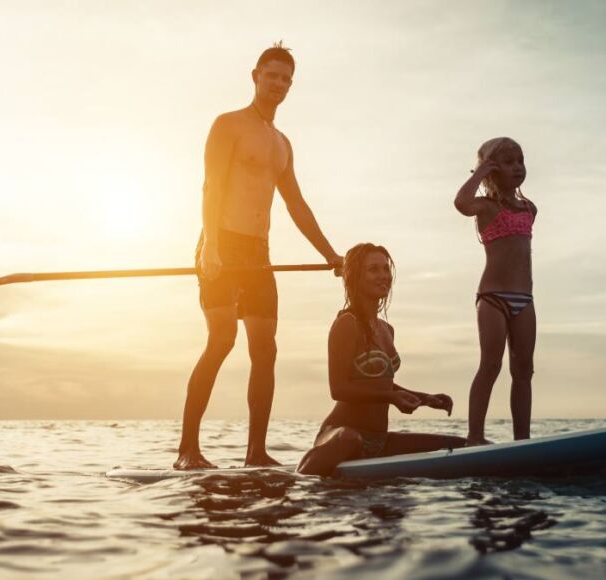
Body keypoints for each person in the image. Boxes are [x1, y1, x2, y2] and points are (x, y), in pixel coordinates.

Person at [175, 44, 344, 470]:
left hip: (258, 253)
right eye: (272, 75)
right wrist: (210, 246)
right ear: (255, 75)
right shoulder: (228, 125)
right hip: (221, 243)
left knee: (265, 350)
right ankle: (187, 451)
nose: (279, 84)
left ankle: (256, 453)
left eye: (286, 79)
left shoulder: (283, 144)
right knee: (221, 341)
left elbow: (297, 206)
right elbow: (211, 187)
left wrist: (331, 255)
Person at [297, 243, 465, 476]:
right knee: (349, 439)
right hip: (340, 436)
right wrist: (391, 397)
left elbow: (382, 384)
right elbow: (339, 389)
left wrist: (425, 398)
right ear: (356, 277)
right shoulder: (347, 323)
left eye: (386, 269)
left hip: (379, 441)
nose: (383, 276)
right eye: (373, 269)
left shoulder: (387, 329)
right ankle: (299, 479)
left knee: (457, 445)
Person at [454, 137, 537, 445]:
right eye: (508, 162)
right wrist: (479, 172)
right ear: (492, 169)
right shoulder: (485, 207)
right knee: (490, 364)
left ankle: (522, 440)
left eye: (520, 160)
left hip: (524, 300)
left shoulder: (530, 208)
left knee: (524, 370)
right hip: (493, 298)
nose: (517, 167)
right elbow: (461, 202)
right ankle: (474, 437)